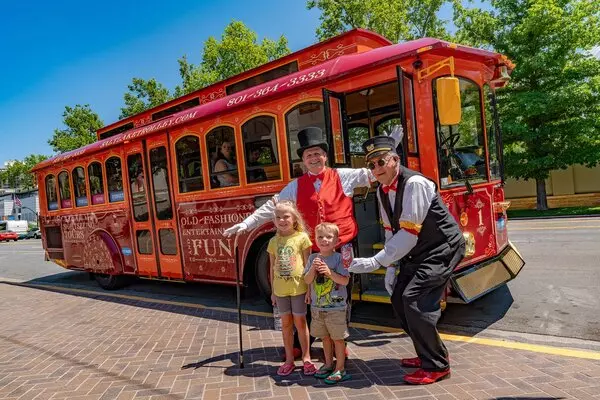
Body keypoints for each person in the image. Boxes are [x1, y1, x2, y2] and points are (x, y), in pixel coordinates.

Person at [224, 126, 384, 358]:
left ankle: (339, 342)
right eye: (309, 155)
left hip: (341, 247)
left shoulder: (343, 176)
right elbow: (271, 207)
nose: (314, 158)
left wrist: (386, 152)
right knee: (306, 294)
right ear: (303, 161)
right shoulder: (295, 186)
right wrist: (246, 224)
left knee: (340, 295)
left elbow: (372, 173)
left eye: (318, 153)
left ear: (325, 156)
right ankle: (301, 344)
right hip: (311, 249)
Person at [349, 135, 466, 385]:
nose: (377, 169)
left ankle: (437, 365)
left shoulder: (415, 183)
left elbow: (410, 233)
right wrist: (391, 267)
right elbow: (392, 230)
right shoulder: (381, 190)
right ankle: (425, 353)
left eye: (381, 162)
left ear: (395, 160)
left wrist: (376, 262)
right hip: (417, 250)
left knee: (414, 299)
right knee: (398, 298)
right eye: (372, 165)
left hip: (441, 247)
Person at [267, 200, 317, 376]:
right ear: (274, 220)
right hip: (280, 290)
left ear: (294, 218)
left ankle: (306, 358)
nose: (282, 220)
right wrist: (273, 292)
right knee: (286, 324)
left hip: (299, 288)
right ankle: (289, 359)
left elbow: (309, 265)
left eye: (286, 216)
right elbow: (271, 269)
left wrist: (309, 290)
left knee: (301, 323)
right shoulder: (273, 242)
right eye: (278, 217)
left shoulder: (302, 238)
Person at [304, 223, 351, 384]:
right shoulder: (312, 258)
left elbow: (344, 281)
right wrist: (313, 269)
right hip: (318, 307)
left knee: (338, 338)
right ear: (315, 239)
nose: (324, 240)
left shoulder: (339, 258)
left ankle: (340, 368)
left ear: (337, 240)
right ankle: (329, 364)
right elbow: (307, 280)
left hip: (336, 308)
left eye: (329, 237)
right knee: (324, 337)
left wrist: (329, 272)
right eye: (320, 237)